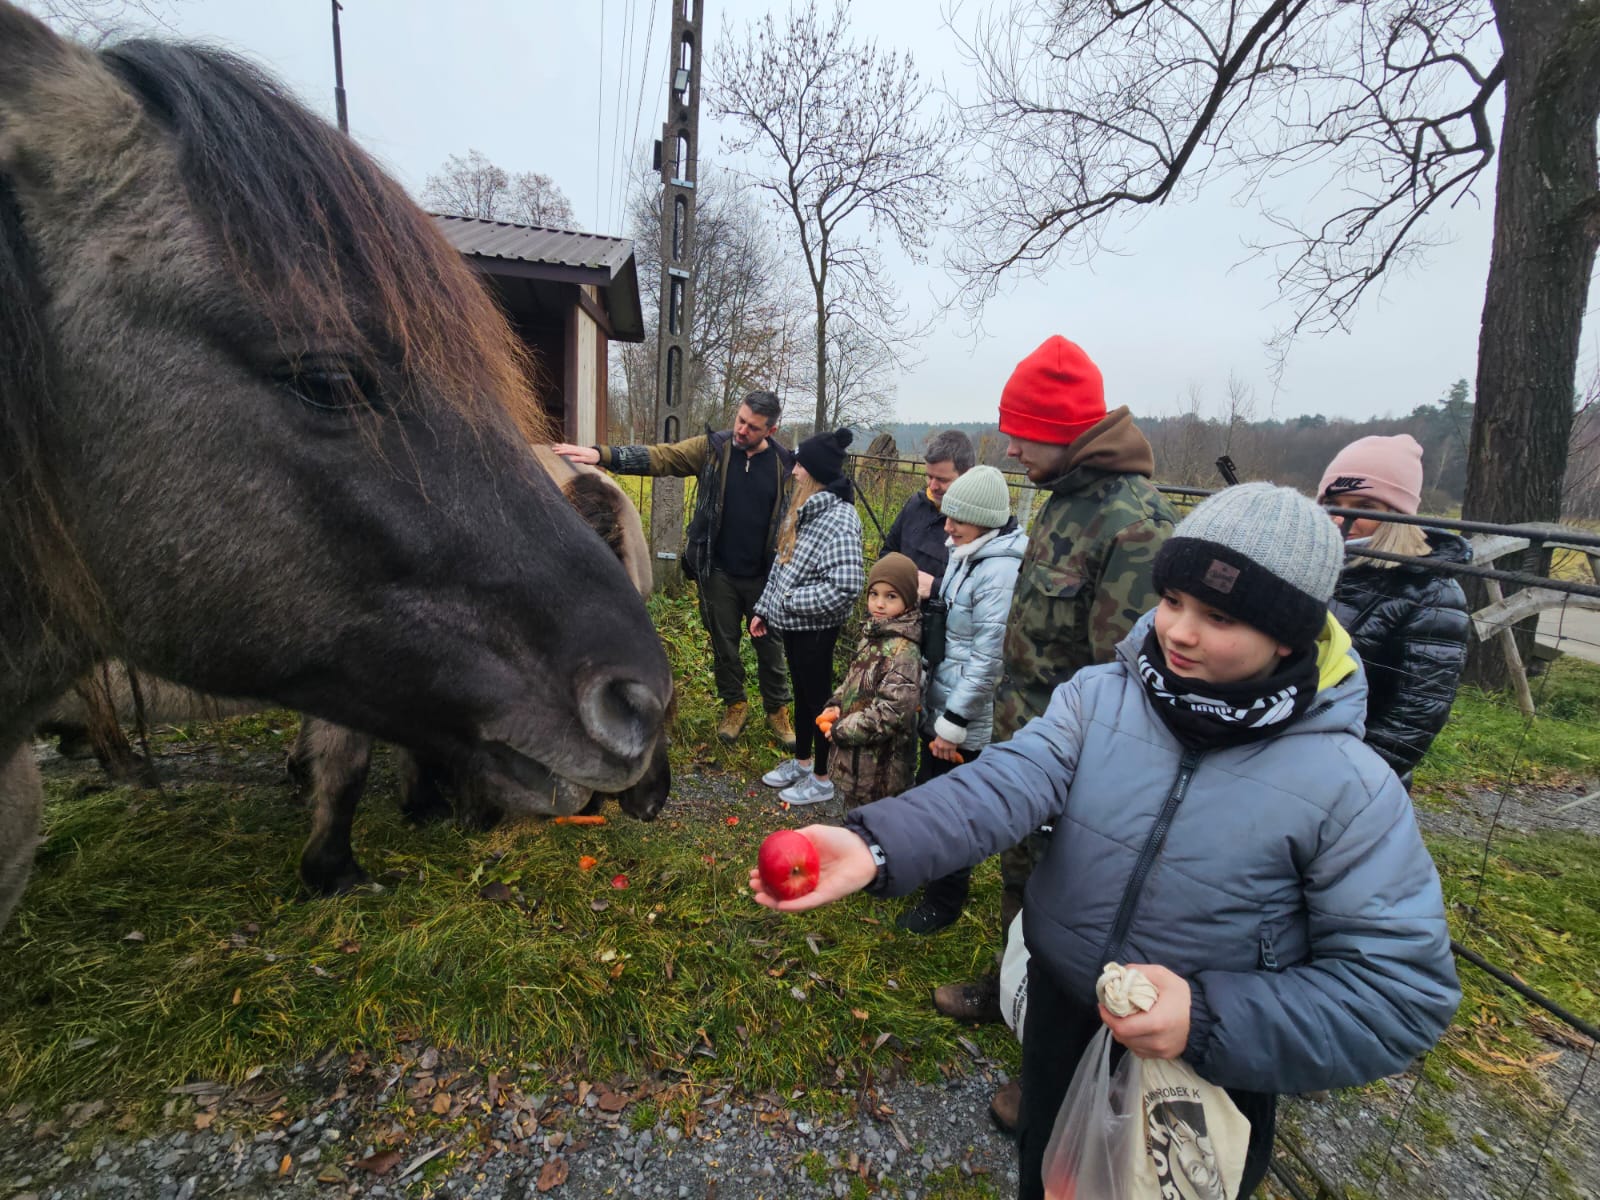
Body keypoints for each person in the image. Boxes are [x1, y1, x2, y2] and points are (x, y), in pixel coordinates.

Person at [750, 483, 1461, 1200]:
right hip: (1065, 1013)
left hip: (1208, 1068)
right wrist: (875, 846)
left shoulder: (1347, 785)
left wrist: (1209, 1019)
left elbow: (1400, 995)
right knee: (1047, 1175)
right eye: (1174, 600)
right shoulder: (1098, 698)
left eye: (1217, 616)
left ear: (1287, 634)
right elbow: (1005, 784)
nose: (1177, 631)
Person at [936, 336, 1176, 1131]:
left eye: (1022, 433)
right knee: (1024, 883)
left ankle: (1053, 1074)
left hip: (1084, 770)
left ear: (1066, 431)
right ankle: (1016, 993)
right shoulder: (1063, 496)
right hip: (1025, 746)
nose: (1008, 446)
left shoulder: (1132, 525)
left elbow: (1132, 680)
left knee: (1073, 910)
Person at [554, 392, 797, 750]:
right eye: (740, 420)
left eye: (752, 427)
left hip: (764, 577)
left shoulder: (783, 465)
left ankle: (777, 710)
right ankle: (735, 705)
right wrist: (603, 455)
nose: (742, 429)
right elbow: (661, 457)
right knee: (724, 645)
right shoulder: (714, 450)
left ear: (771, 429)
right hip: (717, 572)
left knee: (770, 647)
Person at [895, 465, 1026, 935]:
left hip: (963, 717)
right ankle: (927, 872)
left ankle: (944, 900)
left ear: (985, 519)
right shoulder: (966, 555)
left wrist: (954, 721)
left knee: (955, 811)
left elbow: (988, 658)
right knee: (930, 792)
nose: (946, 528)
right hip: (942, 701)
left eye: (957, 520)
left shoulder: (999, 572)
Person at [1318, 434, 1471, 786]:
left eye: (1365, 507)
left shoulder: (1431, 592)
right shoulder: (1314, 567)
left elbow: (1413, 718)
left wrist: (1345, 785)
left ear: (1397, 514)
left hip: (1347, 781)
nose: (1344, 517)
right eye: (1333, 502)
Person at [752, 428, 865, 805]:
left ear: (815, 471)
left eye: (800, 464)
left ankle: (822, 777)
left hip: (817, 629)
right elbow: (782, 568)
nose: (794, 471)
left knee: (817, 700)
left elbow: (846, 586)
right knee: (802, 695)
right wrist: (764, 610)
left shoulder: (840, 518)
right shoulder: (803, 510)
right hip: (794, 626)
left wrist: (789, 602)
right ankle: (802, 762)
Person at [816, 552, 923, 809]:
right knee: (853, 817)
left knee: (876, 831)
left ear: (908, 601)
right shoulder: (871, 636)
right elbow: (854, 678)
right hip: (858, 760)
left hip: (882, 770)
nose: (879, 604)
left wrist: (842, 729)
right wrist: (837, 703)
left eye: (891, 596)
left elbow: (892, 713)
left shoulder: (903, 651)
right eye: (874, 594)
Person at [881, 429, 975, 600]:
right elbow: (888, 552)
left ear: (967, 475)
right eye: (929, 476)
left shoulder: (978, 523)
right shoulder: (915, 505)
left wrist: (935, 587)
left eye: (942, 480)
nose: (932, 486)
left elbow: (979, 589)